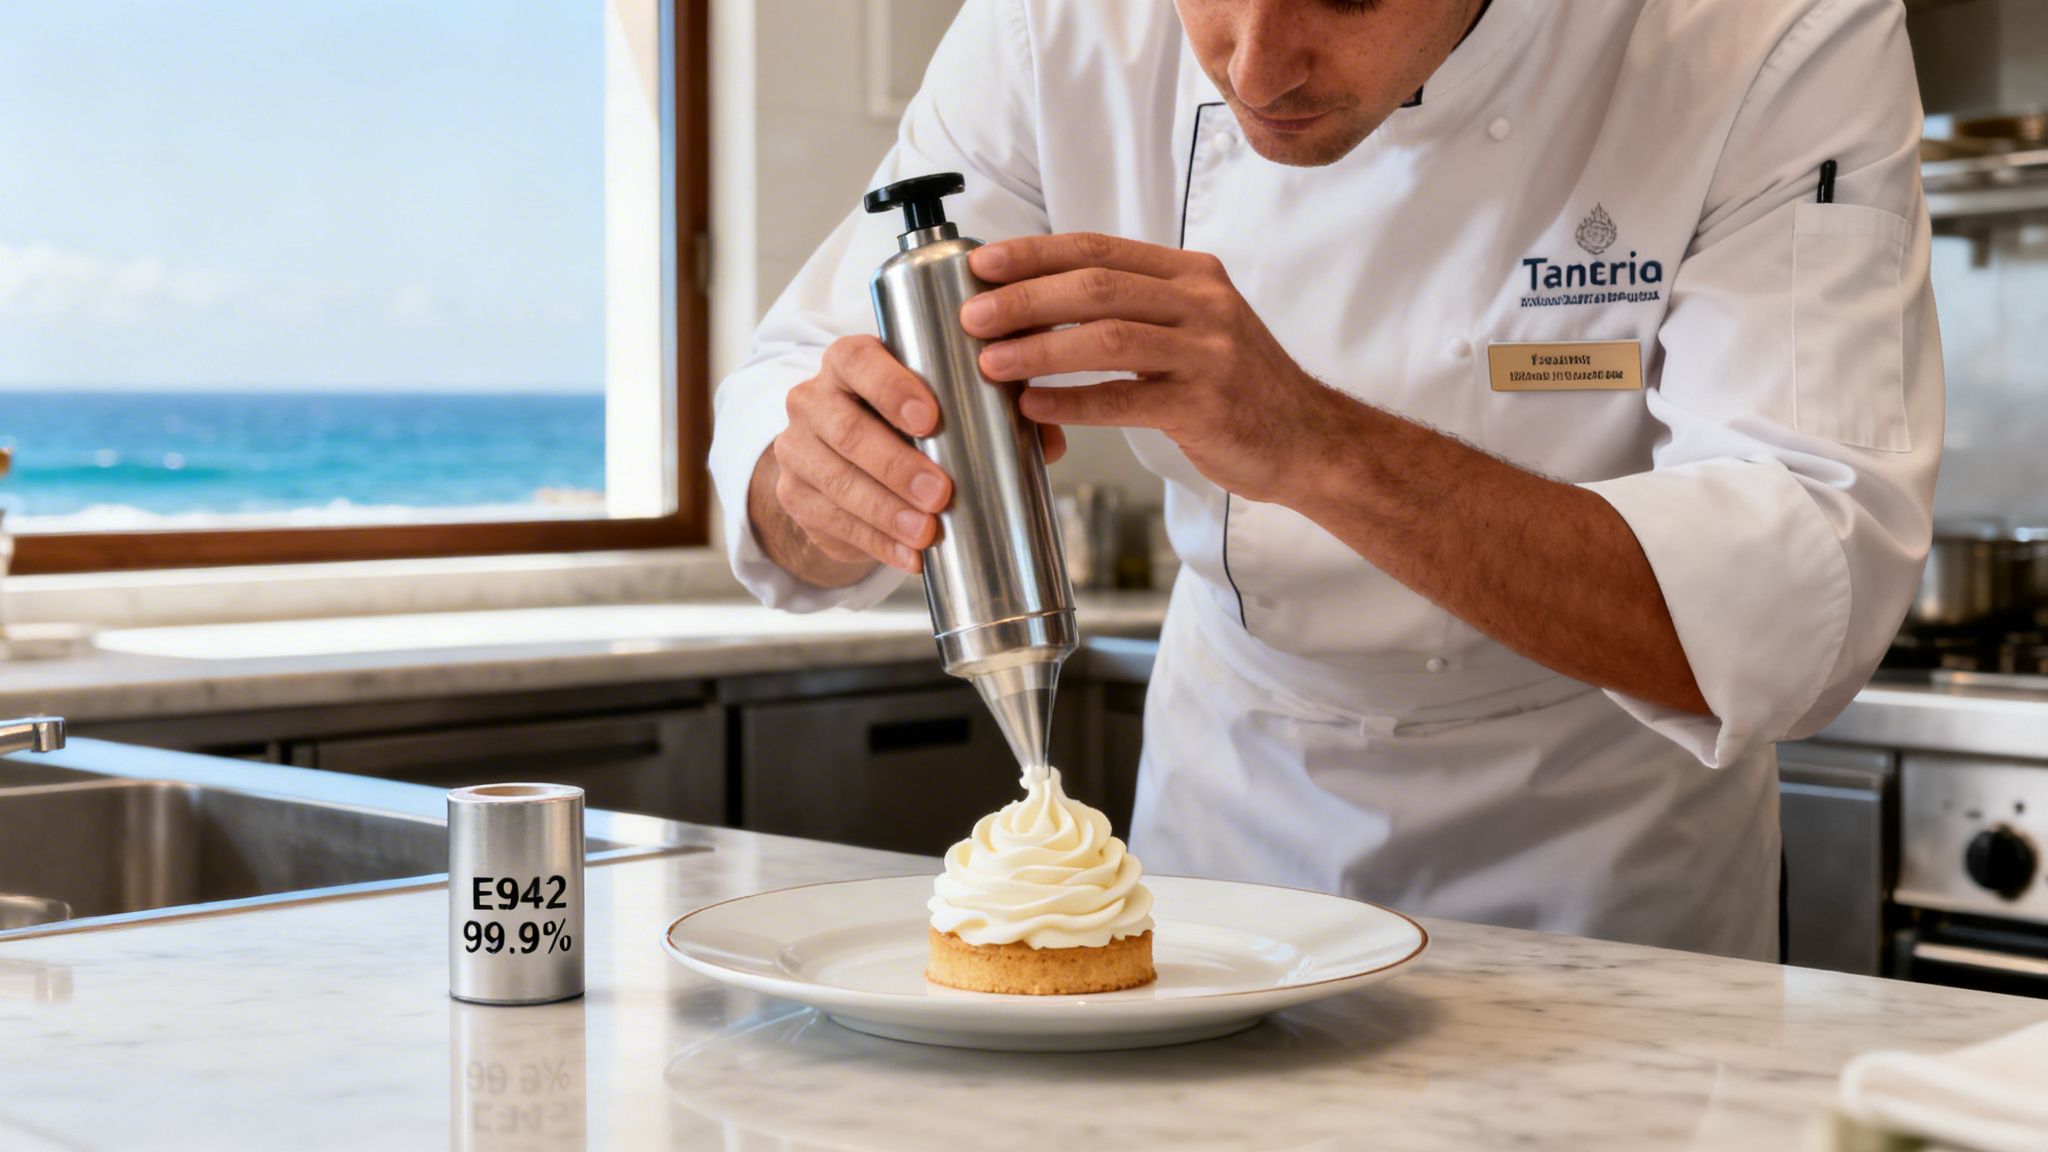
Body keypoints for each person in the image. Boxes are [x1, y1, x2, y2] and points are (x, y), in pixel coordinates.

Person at [708, 0, 1941, 961]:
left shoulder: (1767, 35)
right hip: (1230, 833)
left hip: (1601, 873)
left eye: (1345, 0)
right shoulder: (1052, 29)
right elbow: (791, 400)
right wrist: (822, 484)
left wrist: (1310, 442)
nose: (1255, 70)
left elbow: (1796, 597)